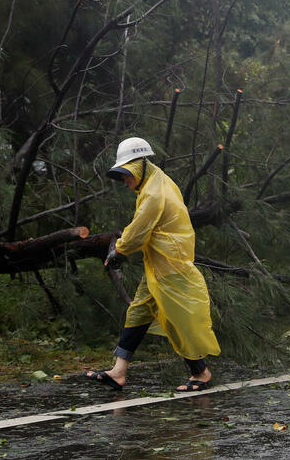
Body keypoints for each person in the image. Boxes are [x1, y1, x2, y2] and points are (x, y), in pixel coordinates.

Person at [86, 137, 220, 392]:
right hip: (161, 264)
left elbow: (138, 230)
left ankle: (201, 372)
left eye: (126, 175)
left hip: (171, 265)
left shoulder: (153, 192)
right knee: (138, 310)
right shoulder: (156, 180)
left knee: (176, 318)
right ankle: (119, 371)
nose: (125, 182)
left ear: (137, 167)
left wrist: (118, 251)